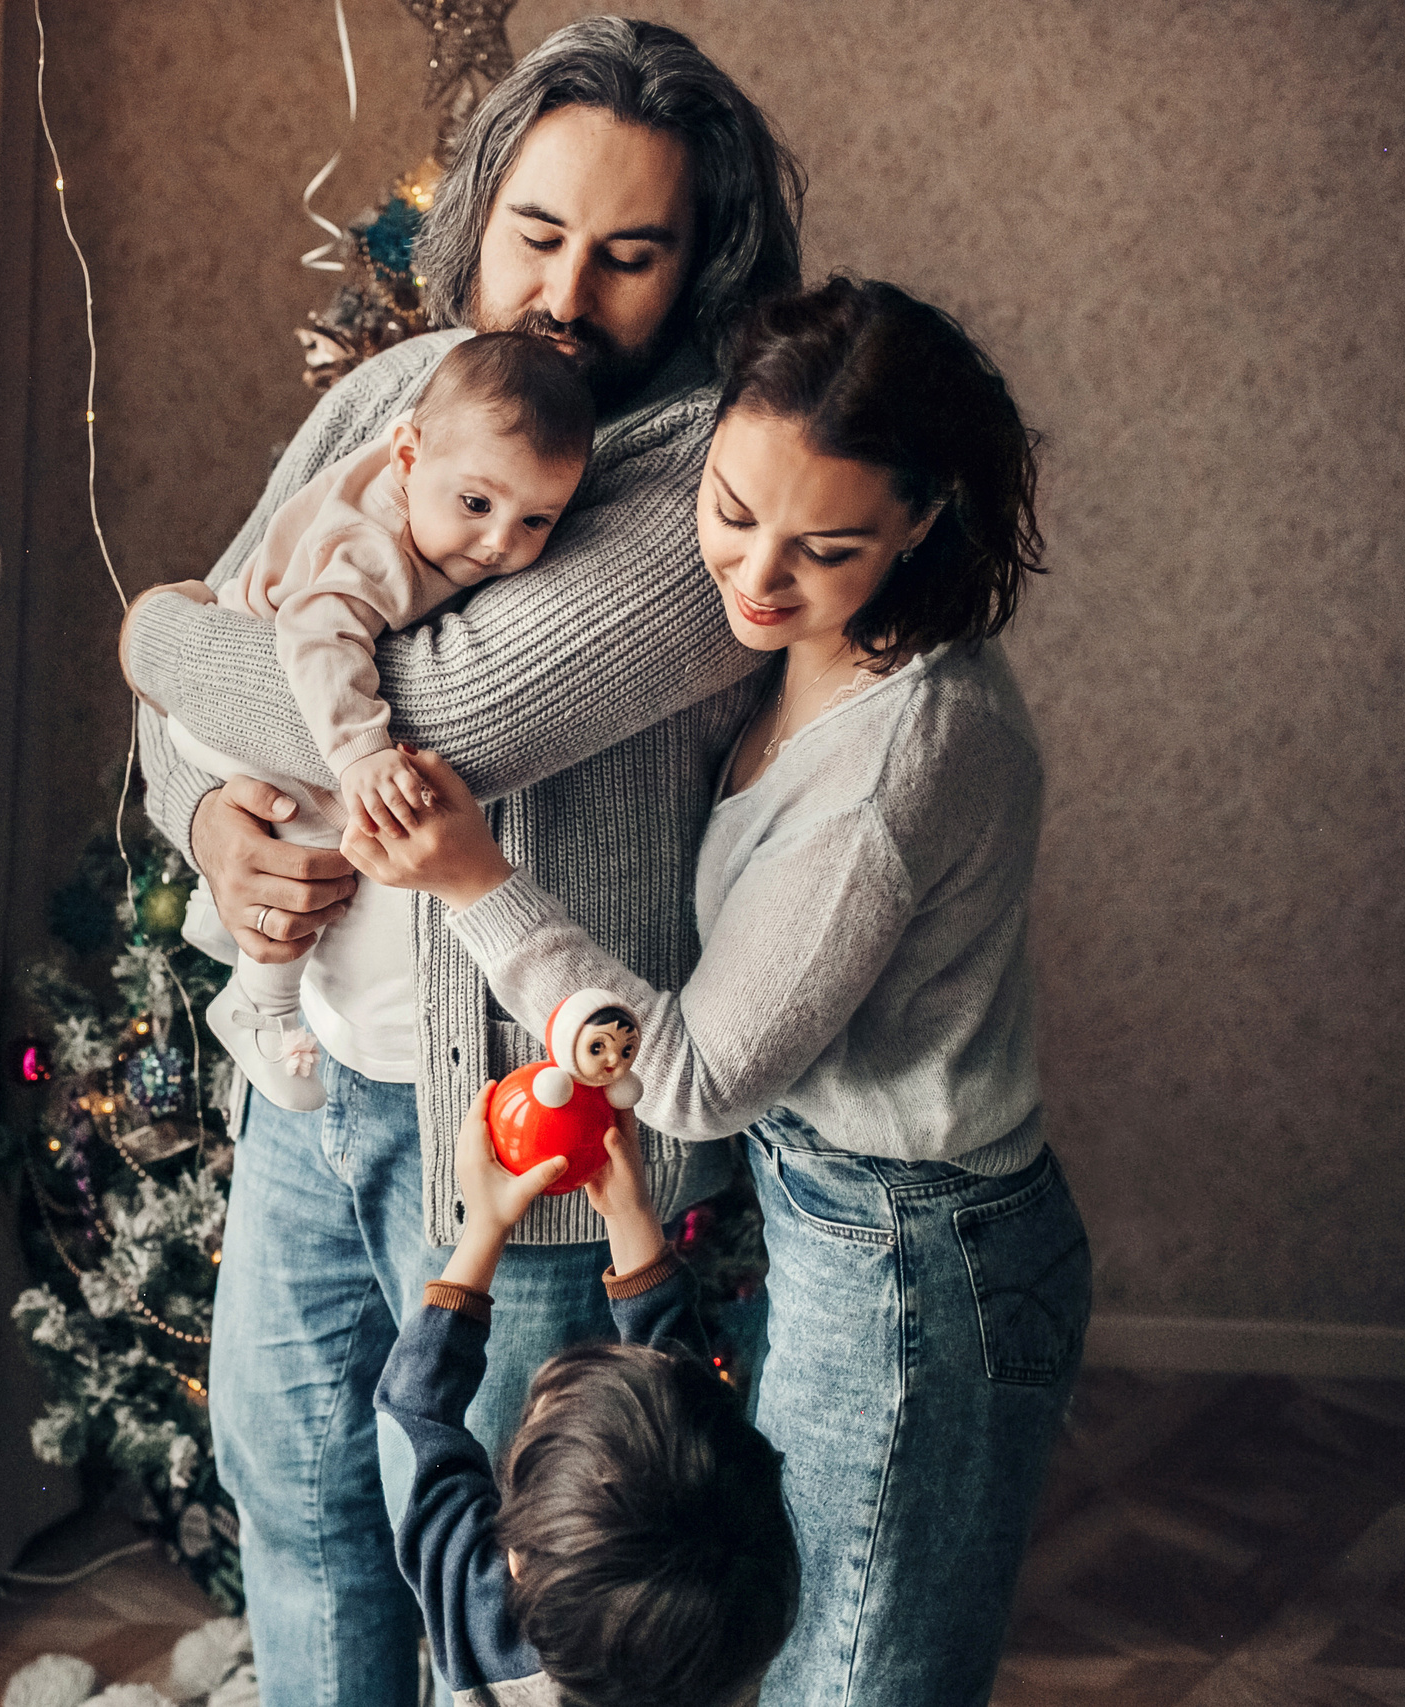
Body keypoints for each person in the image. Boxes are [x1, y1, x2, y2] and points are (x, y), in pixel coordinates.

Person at [118, 22, 802, 1703]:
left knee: (509, 1588)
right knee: (298, 1498)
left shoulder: (702, 471)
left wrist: (144, 633)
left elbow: (443, 715)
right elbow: (214, 716)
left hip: (540, 1134)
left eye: (630, 254)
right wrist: (208, 821)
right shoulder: (386, 398)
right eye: (540, 236)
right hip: (316, 1090)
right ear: (479, 216)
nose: (569, 292)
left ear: (700, 264)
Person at [345, 276, 1092, 1706]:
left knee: (850, 1673)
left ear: (922, 522)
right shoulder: (800, 643)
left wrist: (471, 881)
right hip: (829, 1202)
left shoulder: (898, 758)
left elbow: (692, 1074)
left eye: (824, 545)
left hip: (913, 1257)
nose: (753, 575)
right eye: (733, 509)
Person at [133, 334, 595, 1113]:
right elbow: (316, 639)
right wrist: (358, 754)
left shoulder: (442, 485)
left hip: (239, 690)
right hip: (241, 704)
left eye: (537, 520)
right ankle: (260, 1006)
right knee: (330, 830)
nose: (499, 544)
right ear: (408, 457)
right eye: (478, 505)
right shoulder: (372, 547)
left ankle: (234, 946)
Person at [375, 1090, 797, 1707]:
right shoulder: (724, 1637)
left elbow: (414, 1415)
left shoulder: (486, 1632)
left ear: (515, 1560)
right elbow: (686, 1420)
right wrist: (632, 1219)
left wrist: (485, 1226)